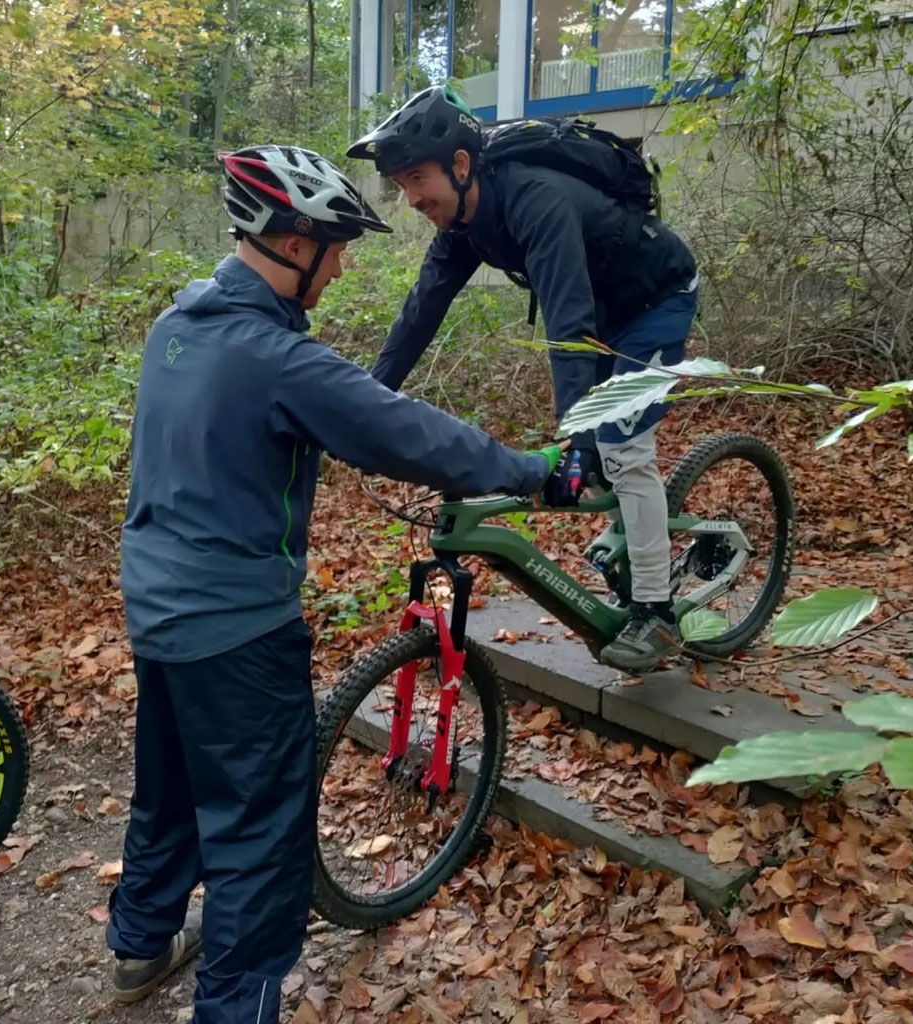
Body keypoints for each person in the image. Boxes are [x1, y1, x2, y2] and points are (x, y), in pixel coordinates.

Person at [106, 143, 568, 1024]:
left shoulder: (177, 328)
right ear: (291, 242)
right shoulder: (275, 358)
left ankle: (138, 945)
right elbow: (411, 435)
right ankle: (236, 1009)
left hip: (157, 606)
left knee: (167, 785)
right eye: (336, 244)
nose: (343, 265)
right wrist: (535, 470)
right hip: (237, 629)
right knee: (258, 836)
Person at [347, 86, 700, 672]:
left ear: (461, 165)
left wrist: (576, 442)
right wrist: (362, 400)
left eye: (415, 178)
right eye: (401, 184)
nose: (409, 198)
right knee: (597, 443)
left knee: (618, 443)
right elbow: (420, 313)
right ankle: (630, 536)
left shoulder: (537, 198)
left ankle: (657, 613)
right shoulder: (463, 224)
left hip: (656, 303)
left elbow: (569, 325)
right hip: (605, 312)